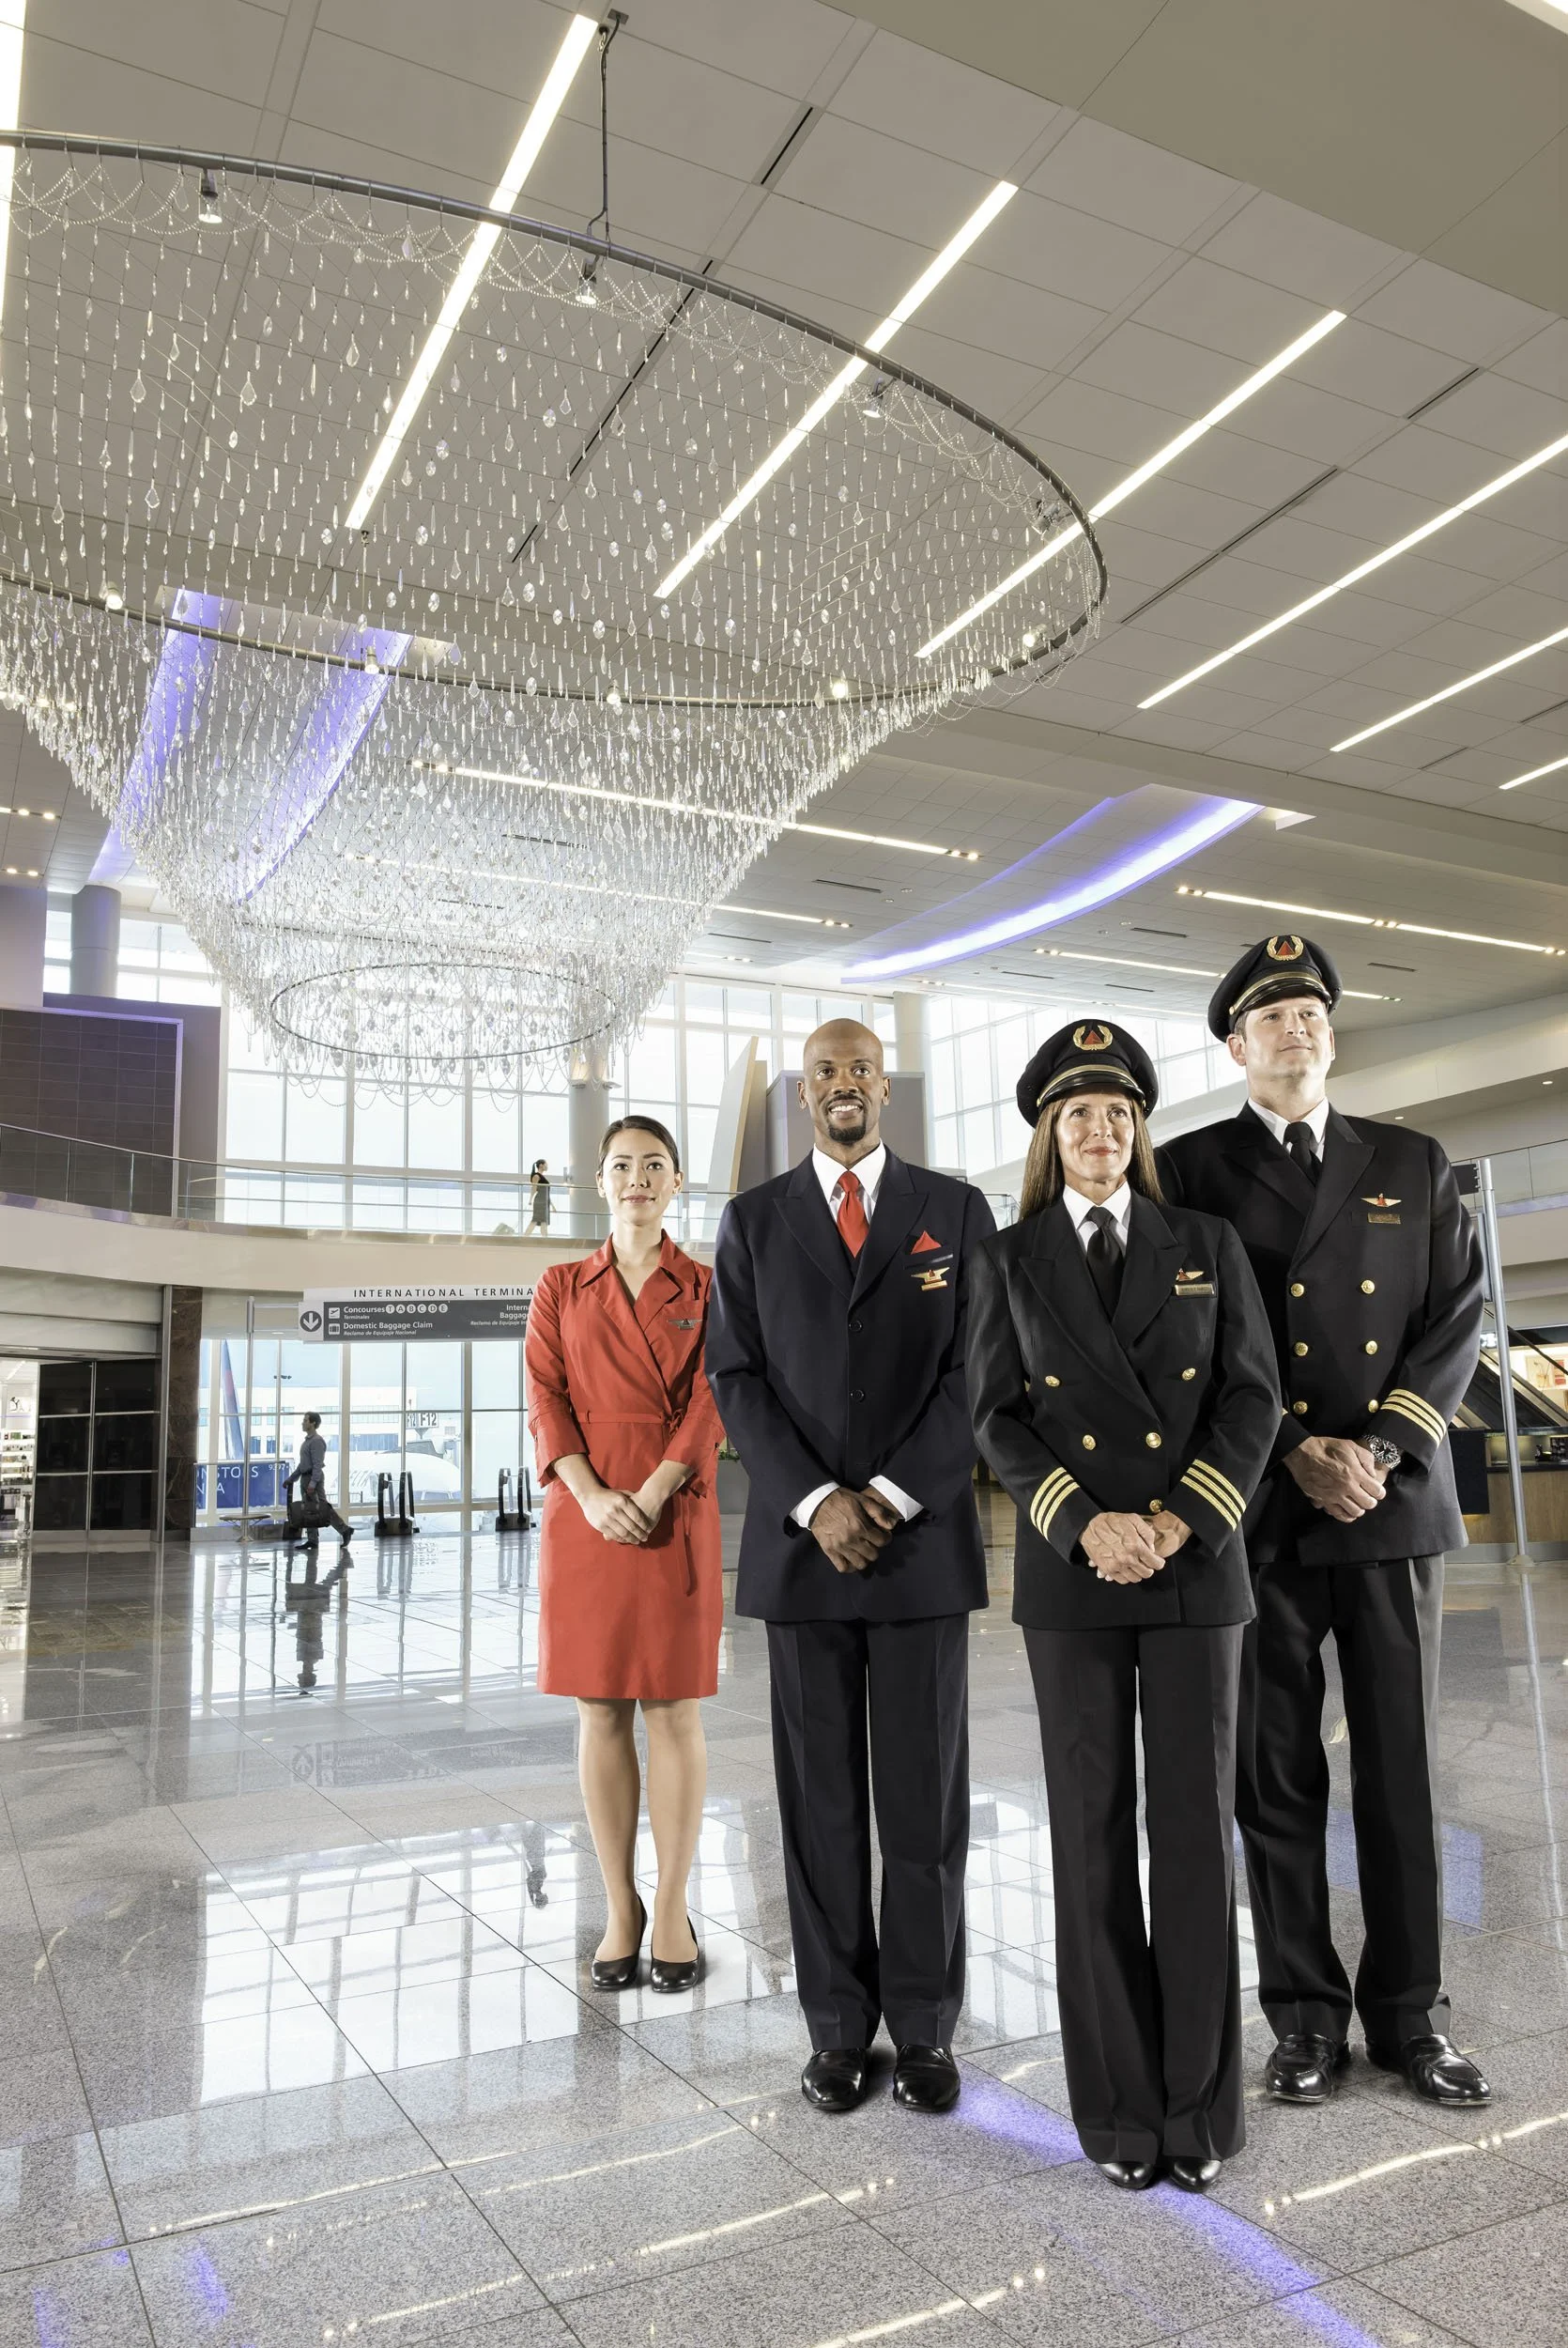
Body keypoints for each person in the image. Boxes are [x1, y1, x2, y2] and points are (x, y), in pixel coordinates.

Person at [1158, 936, 1487, 2110]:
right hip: (1263, 1509)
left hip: (1388, 1506)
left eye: (1308, 1012)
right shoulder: (1185, 1169)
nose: (1293, 1028)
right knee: (1274, 1775)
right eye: (1270, 1016)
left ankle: (1409, 2019)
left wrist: (1380, 1449)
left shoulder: (1409, 1158)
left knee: (1399, 1771)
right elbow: (1185, 1339)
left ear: (1330, 1037)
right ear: (1234, 1046)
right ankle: (1302, 2016)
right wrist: (1296, 1446)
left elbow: (1454, 1317)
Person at [967, 1021, 1279, 2192]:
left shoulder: (1203, 1243)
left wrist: (1178, 1519)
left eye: (1116, 1113)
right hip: (1073, 1572)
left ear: (1137, 1131)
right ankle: (1116, 2118)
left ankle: (1196, 2114)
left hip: (1194, 1567)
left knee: (1194, 1837)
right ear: (1049, 1136)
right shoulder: (1008, 1257)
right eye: (1076, 1115)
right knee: (1089, 1842)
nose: (1098, 1131)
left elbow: (1249, 1399)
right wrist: (1082, 1522)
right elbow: (993, 1414)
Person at [705, 1020, 994, 2116]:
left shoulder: (952, 1211)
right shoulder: (751, 1220)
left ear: (883, 1087)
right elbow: (735, 1374)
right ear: (802, 1093)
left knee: (924, 1803)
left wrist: (892, 1492)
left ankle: (922, 2028)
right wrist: (817, 1500)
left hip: (918, 1547)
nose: (843, 1084)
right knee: (819, 1802)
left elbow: (978, 1367)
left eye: (859, 1069)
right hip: (803, 1551)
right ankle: (835, 2028)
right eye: (823, 1070)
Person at [525, 1115, 722, 1993]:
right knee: (599, 1709)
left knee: (673, 1710)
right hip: (585, 1513)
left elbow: (715, 1397)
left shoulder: (709, 1286)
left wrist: (652, 1491)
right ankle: (620, 1905)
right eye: (621, 1166)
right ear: (599, 1182)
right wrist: (592, 1493)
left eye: (654, 1165)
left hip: (673, 1509)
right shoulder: (560, 1286)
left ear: (676, 1183)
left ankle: (672, 1906)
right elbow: (545, 1397)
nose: (637, 1178)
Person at [285, 1412, 353, 1548]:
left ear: (313, 1423)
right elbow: (302, 1465)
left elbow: (317, 1465)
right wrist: (291, 1479)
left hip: (312, 1478)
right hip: (305, 1477)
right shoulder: (307, 1442)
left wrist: (313, 1483)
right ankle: (313, 1539)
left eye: (305, 1420)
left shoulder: (317, 1441)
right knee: (309, 1509)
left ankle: (344, 1530)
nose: (303, 1423)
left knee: (322, 1508)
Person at [528, 1158, 553, 1231]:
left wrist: (552, 1205)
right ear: (541, 1165)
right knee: (535, 1221)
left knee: (543, 1223)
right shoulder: (536, 1176)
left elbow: (546, 1193)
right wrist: (530, 1200)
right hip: (540, 1202)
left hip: (544, 1202)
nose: (547, 1166)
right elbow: (534, 1188)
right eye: (546, 1165)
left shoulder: (541, 1177)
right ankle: (525, 1236)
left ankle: (545, 1237)